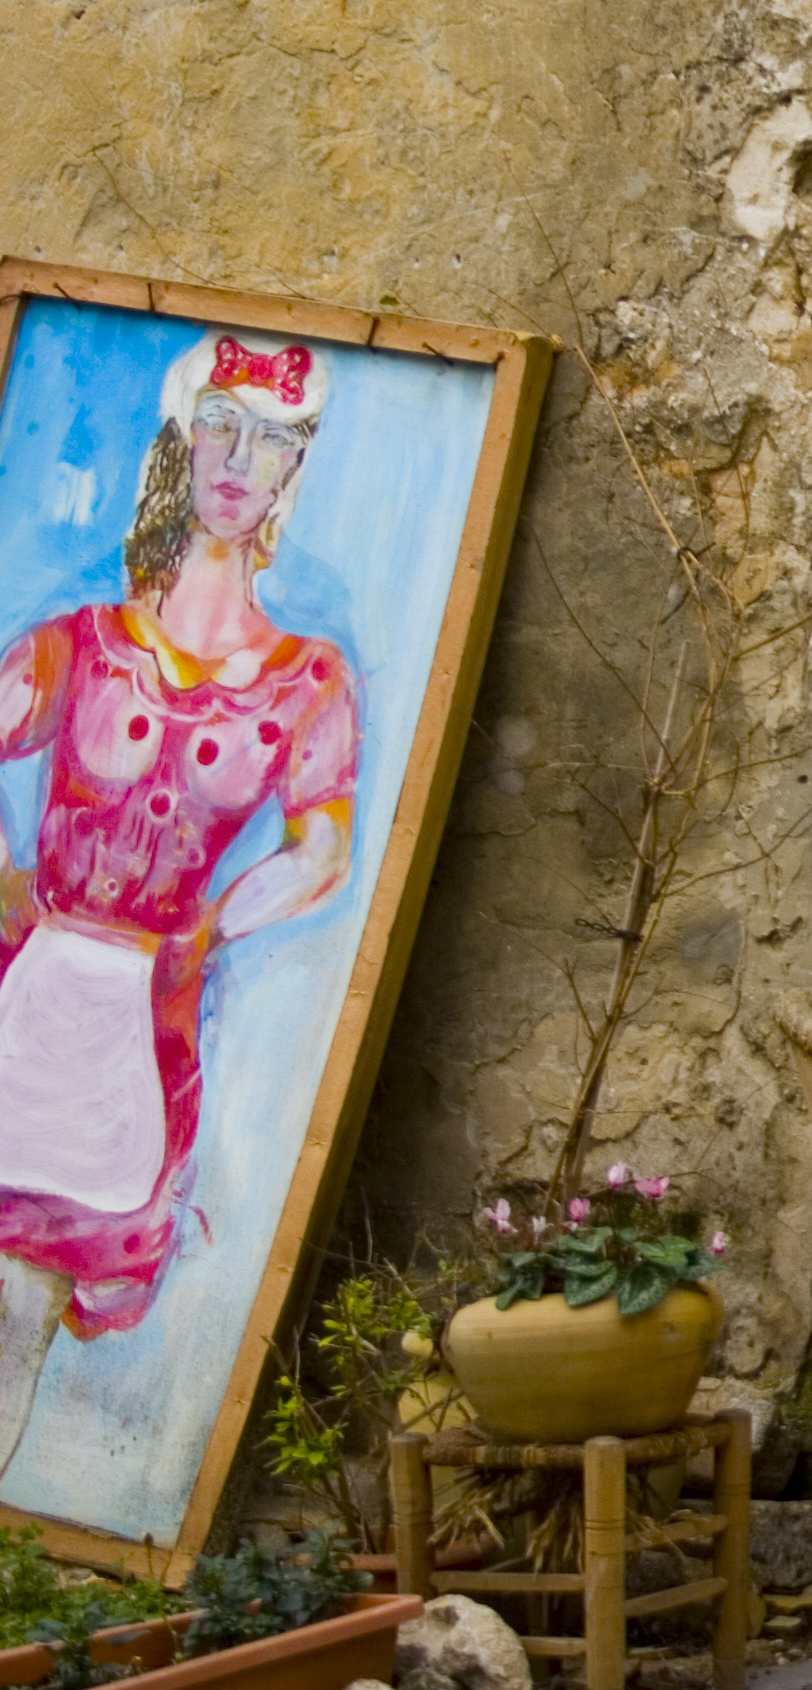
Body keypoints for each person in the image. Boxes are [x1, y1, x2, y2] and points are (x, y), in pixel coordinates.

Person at [0, 331, 359, 1464]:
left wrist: (211, 924)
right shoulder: (85, 646)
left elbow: (323, 852)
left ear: (295, 472)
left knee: (25, 1308)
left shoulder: (308, 680)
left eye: (275, 440)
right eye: (221, 425)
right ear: (181, 441)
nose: (240, 459)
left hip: (136, 1033)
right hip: (34, 991)